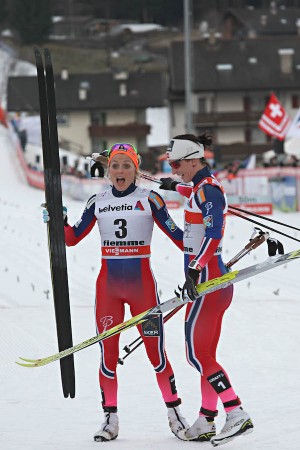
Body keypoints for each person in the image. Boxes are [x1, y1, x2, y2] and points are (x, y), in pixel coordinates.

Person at [53, 143, 190, 441]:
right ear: (107, 170)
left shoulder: (150, 199)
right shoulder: (97, 201)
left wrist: (203, 234)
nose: (120, 171)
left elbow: (179, 238)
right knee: (108, 355)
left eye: (126, 166)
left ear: (136, 170)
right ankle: (110, 418)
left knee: (157, 353)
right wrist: (57, 219)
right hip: (108, 290)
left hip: (142, 288)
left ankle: (174, 413)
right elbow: (72, 238)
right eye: (115, 165)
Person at [159, 134, 254, 446]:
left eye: (176, 164)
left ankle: (235, 411)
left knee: (196, 355)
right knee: (205, 353)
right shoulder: (199, 187)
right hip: (208, 281)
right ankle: (206, 419)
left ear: (192, 160)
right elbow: (192, 191)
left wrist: (195, 267)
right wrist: (174, 186)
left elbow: (214, 233)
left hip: (208, 280)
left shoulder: (209, 190)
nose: (174, 169)